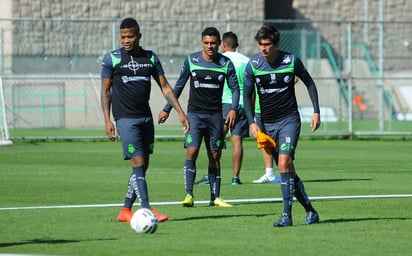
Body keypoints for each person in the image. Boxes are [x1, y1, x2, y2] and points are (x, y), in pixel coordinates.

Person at [101, 18, 190, 223]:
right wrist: (107, 120)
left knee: (143, 165)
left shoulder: (150, 58)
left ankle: (125, 210)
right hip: (125, 119)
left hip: (145, 118)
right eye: (123, 36)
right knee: (138, 162)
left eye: (130, 36)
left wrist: (179, 112)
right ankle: (147, 210)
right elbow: (105, 91)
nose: (126, 40)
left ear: (139, 36)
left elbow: (165, 87)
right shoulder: (112, 59)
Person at [243, 24, 321, 227]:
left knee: (284, 163)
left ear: (276, 44)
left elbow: (310, 83)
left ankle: (286, 215)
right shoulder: (253, 65)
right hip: (266, 124)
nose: (263, 49)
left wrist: (316, 111)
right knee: (288, 170)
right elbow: (246, 95)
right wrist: (252, 123)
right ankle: (311, 211)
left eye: (267, 44)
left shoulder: (291, 60)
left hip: (289, 120)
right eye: (260, 45)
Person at [158, 27, 240, 207]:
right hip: (194, 115)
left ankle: (215, 197)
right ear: (202, 42)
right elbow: (178, 86)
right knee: (192, 151)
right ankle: (189, 195)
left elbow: (235, 88)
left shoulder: (225, 63)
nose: (210, 46)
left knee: (215, 154)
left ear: (219, 43)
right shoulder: (191, 60)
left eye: (213, 43)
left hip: (215, 116)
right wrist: (167, 109)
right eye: (206, 43)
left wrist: (233, 108)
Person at [221, 31, 250, 186]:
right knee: (237, 141)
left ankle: (214, 174)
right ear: (236, 44)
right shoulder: (247, 61)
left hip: (226, 103)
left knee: (217, 139)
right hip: (243, 105)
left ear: (223, 45)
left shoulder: (222, 60)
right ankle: (235, 177)